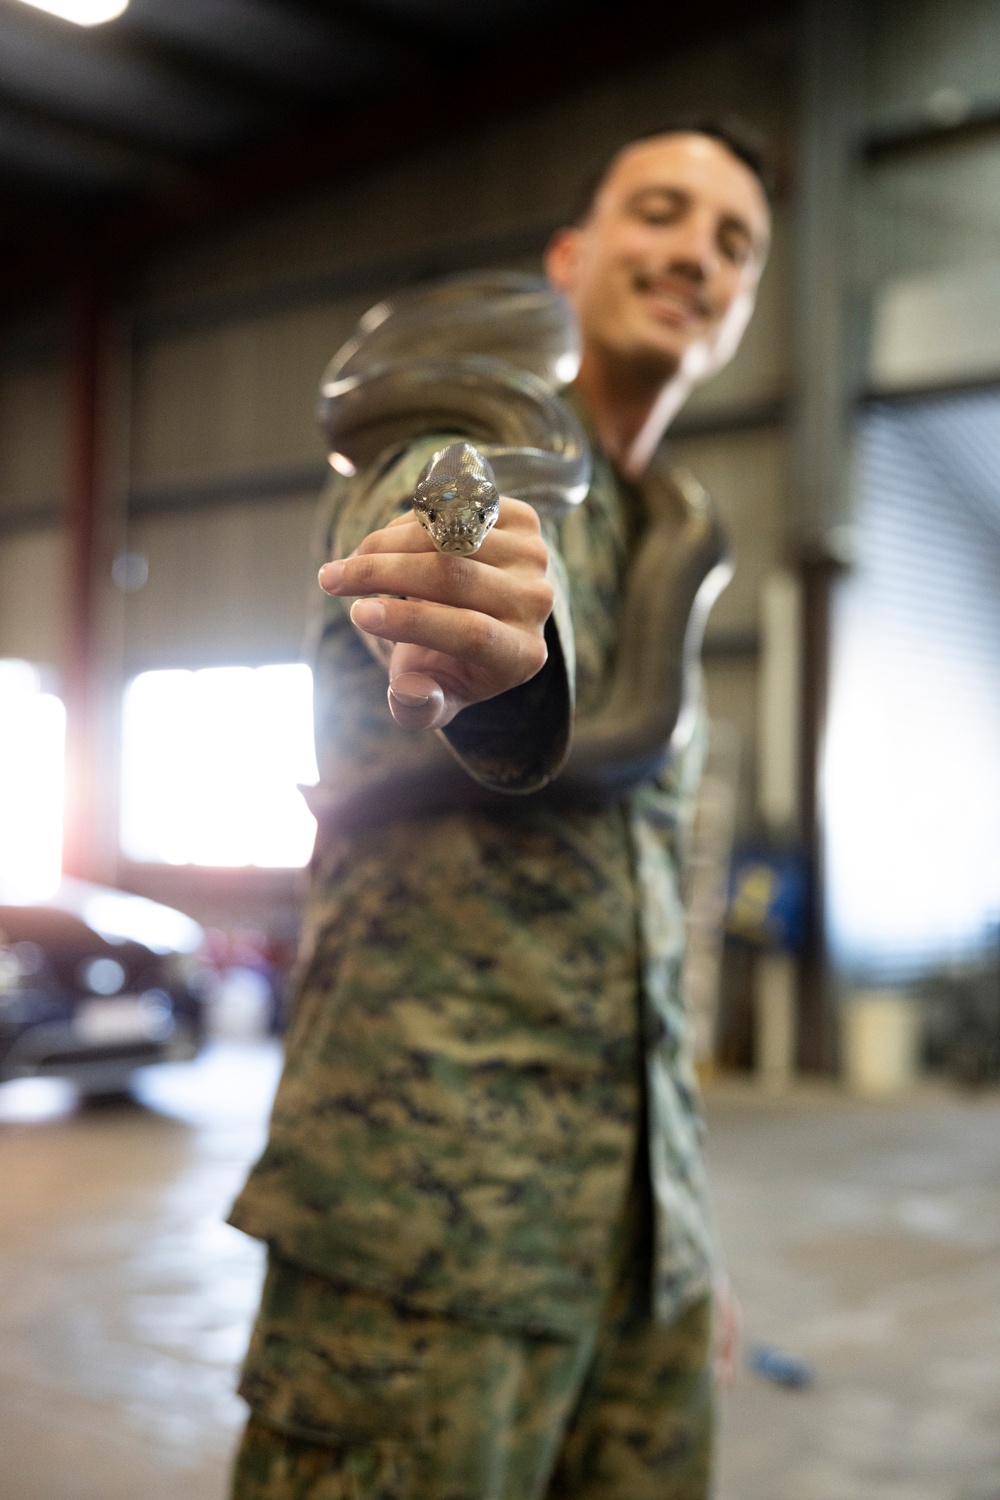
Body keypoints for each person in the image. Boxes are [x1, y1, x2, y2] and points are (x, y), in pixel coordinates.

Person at [228, 120, 772, 1500]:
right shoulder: (464, 434)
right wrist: (467, 601)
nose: (696, 258)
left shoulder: (676, 530)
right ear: (572, 260)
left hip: (637, 1269)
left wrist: (683, 1247)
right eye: (661, 215)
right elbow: (441, 515)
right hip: (423, 1251)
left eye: (734, 246)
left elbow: (657, 920)